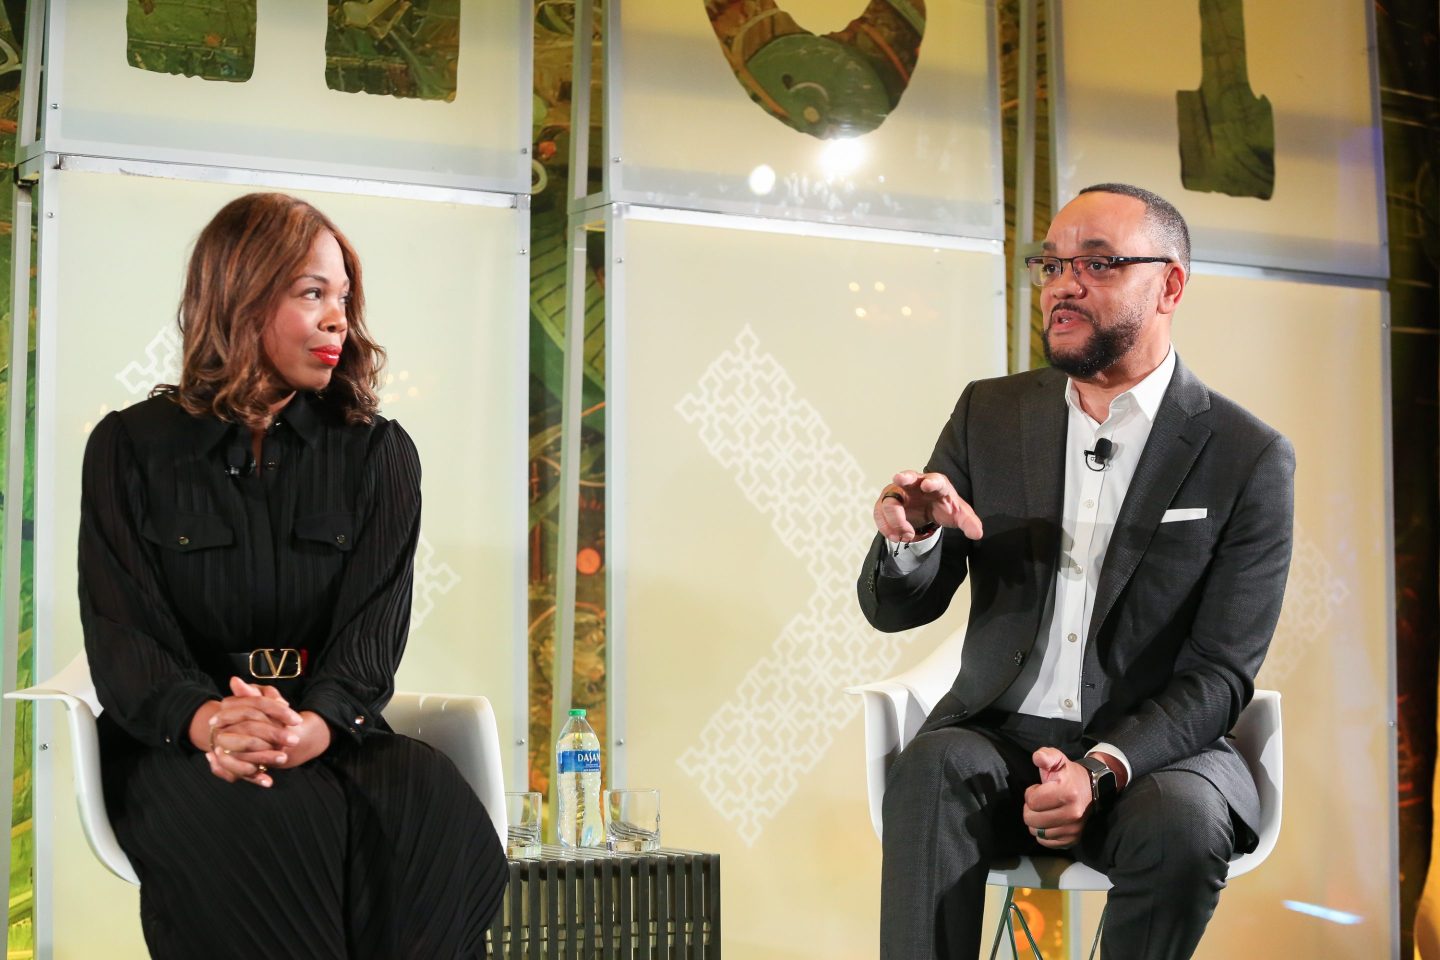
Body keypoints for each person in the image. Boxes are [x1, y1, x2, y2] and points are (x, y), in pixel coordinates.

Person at [858, 183, 1294, 959]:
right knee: (928, 771)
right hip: (998, 737)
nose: (1063, 282)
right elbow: (898, 611)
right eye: (1052, 263)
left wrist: (1100, 769)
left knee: (1184, 826)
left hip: (1156, 751)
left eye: (1098, 262)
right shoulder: (987, 415)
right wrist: (915, 541)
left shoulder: (1246, 455)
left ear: (1170, 285)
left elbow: (1221, 673)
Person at [79, 192, 508, 959]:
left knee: (430, 802)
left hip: (331, 729)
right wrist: (213, 722)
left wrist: (316, 724)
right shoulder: (129, 447)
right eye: (313, 293)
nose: (340, 319)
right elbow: (123, 635)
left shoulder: (378, 454)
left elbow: (373, 632)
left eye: (344, 297)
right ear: (240, 296)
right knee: (270, 823)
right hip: (183, 746)